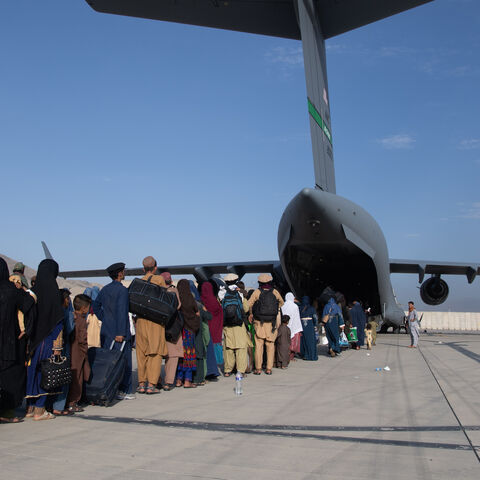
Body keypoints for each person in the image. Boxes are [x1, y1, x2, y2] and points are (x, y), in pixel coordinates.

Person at [26, 259, 65, 420]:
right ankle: (40, 409)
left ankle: (30, 407)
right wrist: (58, 345)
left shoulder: (32, 292)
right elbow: (58, 320)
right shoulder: (54, 293)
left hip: (32, 341)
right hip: (48, 340)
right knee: (46, 374)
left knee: (32, 372)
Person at [0, 258, 35, 423]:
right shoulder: (11, 290)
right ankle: (6, 412)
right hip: (9, 344)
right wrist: (26, 330)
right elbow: (30, 304)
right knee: (10, 378)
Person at [93, 262, 133, 400]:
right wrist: (121, 332)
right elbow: (122, 312)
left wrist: (105, 319)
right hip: (118, 333)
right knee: (124, 361)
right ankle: (124, 390)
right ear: (120, 273)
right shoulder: (122, 290)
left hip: (107, 331)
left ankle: (108, 388)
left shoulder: (105, 289)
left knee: (107, 362)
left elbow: (96, 305)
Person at [135, 257, 167, 395]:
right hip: (155, 321)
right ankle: (151, 384)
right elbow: (165, 298)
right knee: (155, 352)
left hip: (141, 321)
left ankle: (141, 383)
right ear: (155, 268)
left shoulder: (139, 281)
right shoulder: (159, 280)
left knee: (141, 352)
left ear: (143, 269)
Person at [248, 274, 284, 375]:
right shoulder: (275, 292)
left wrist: (251, 313)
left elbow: (248, 304)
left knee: (259, 345)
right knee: (270, 345)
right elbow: (281, 303)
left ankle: (258, 369)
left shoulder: (257, 292)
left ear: (259, 282)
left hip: (259, 323)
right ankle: (269, 368)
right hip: (271, 323)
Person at [221, 274, 251, 377]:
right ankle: (240, 371)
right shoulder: (240, 293)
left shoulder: (222, 292)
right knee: (241, 349)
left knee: (228, 348)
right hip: (239, 324)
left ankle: (227, 370)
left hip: (227, 325)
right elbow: (246, 309)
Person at [51, 288, 75, 416]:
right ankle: (59, 406)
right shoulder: (65, 312)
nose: (68, 301)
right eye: (67, 299)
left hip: (51, 346)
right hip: (62, 345)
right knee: (63, 375)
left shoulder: (52, 310)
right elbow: (70, 327)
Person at [66, 294, 92, 412]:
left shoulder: (71, 316)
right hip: (78, 353)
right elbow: (82, 339)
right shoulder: (81, 320)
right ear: (84, 308)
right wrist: (85, 351)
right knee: (78, 377)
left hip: (70, 350)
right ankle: (73, 401)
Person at [160, 272, 184, 391]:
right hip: (171, 327)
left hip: (158, 327)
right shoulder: (173, 291)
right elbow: (178, 305)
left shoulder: (156, 291)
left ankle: (155, 380)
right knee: (173, 355)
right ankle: (168, 382)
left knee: (156, 355)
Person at [176, 279, 200, 388]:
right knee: (189, 355)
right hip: (189, 331)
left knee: (180, 356)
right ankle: (187, 380)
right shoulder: (190, 298)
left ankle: (178, 380)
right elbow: (197, 312)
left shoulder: (177, 299)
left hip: (179, 331)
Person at [200, 281, 224, 369]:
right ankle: (217, 361)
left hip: (205, 327)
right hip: (215, 327)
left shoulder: (201, 301)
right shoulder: (214, 301)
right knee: (215, 343)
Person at [321, 291, 345, 357]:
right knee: (335, 336)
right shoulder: (336, 306)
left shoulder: (326, 306)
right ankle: (334, 349)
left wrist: (323, 324)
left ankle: (330, 347)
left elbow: (323, 315)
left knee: (329, 336)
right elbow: (340, 315)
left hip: (327, 323)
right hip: (334, 321)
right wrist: (342, 324)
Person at [281, 293, 303, 361]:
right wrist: (299, 328)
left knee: (284, 342)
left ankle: (284, 356)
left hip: (284, 325)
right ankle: (291, 357)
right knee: (292, 343)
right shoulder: (295, 306)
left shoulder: (282, 305)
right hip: (293, 326)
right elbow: (297, 318)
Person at [299, 296, 318, 361]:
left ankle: (305, 355)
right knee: (311, 341)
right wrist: (315, 325)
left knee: (303, 341)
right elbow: (315, 318)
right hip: (310, 326)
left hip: (302, 326)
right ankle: (312, 356)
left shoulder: (300, 308)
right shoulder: (312, 309)